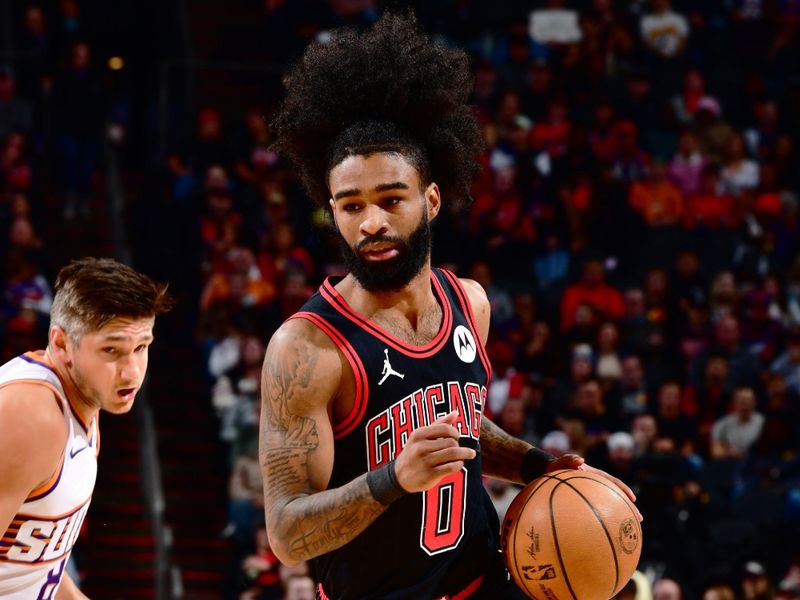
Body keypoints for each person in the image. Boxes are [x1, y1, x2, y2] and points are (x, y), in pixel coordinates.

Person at [259, 13, 639, 599]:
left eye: (391, 198)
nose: (372, 222)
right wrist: (391, 480)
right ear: (332, 211)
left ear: (431, 199)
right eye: (351, 206)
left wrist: (539, 464)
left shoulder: (470, 304)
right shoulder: (307, 348)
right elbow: (286, 533)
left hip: (481, 581)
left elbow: (458, 425)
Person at [0, 257, 172, 598]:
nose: (132, 371)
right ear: (62, 344)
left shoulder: (83, 403)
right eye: (112, 351)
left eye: (141, 348)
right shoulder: (32, 416)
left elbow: (35, 568)